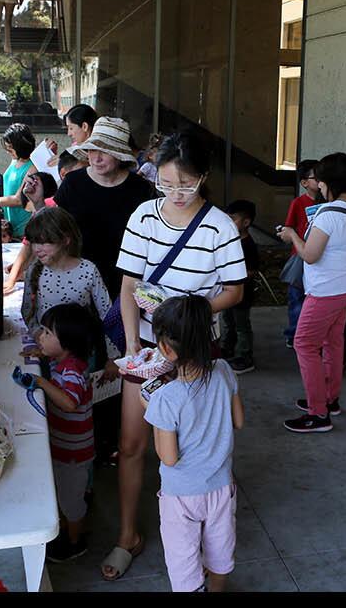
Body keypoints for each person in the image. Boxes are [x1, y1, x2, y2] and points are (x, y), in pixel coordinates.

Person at [104, 131, 247, 581]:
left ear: (203, 177)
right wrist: (132, 347)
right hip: (147, 347)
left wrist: (191, 309)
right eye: (166, 184)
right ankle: (128, 534)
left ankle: (207, 534)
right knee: (131, 444)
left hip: (194, 350)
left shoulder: (219, 225)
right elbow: (129, 286)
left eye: (185, 184)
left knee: (194, 445)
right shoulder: (144, 217)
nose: (176, 194)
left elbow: (235, 290)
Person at [140, 296, 245, 592]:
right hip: (221, 487)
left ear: (165, 349)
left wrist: (153, 413)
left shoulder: (165, 398)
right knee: (220, 550)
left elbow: (169, 457)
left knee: (183, 559)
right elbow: (238, 421)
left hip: (181, 496)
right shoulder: (224, 370)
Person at [278, 152, 346, 432]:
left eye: (318, 179)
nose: (316, 184)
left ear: (328, 182)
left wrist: (292, 234)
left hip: (325, 291)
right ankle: (330, 400)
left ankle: (318, 414)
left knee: (304, 344)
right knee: (332, 342)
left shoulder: (327, 214)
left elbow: (310, 255)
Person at [14, 303, 101, 562]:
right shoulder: (62, 361)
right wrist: (40, 356)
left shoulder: (72, 370)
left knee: (70, 501)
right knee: (66, 493)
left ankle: (76, 541)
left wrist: (40, 382)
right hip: (66, 447)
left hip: (73, 452)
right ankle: (69, 524)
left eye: (48, 333)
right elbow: (54, 364)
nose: (41, 336)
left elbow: (69, 402)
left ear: (68, 343)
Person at [54, 117, 156, 299]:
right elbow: (55, 227)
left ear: (120, 155)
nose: (96, 157)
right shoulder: (73, 183)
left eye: (105, 151)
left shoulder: (142, 189)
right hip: (77, 280)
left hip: (126, 283)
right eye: (92, 149)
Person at [19, 207, 113, 339]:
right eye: (34, 242)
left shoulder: (88, 270)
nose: (37, 249)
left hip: (81, 349)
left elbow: (107, 313)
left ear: (65, 240)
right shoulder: (34, 270)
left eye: (44, 242)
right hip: (47, 350)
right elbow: (27, 309)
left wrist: (109, 352)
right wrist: (39, 335)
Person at [281, 160, 321, 348]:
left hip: (320, 258)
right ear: (304, 182)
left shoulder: (329, 202)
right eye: (316, 177)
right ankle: (294, 333)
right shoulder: (298, 203)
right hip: (299, 257)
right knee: (296, 298)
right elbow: (288, 228)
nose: (321, 181)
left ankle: (310, 334)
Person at [219, 200, 260, 374]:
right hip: (226, 292)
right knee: (227, 320)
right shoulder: (229, 241)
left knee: (241, 324)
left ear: (246, 222)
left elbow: (251, 271)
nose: (229, 222)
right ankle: (227, 348)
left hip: (243, 293)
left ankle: (245, 356)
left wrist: (234, 275)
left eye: (233, 218)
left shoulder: (248, 245)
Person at [0, 123, 37, 237]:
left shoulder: (32, 167)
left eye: (10, 149)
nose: (8, 152)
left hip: (23, 229)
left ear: (20, 146)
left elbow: (19, 200)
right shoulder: (14, 161)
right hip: (9, 227)